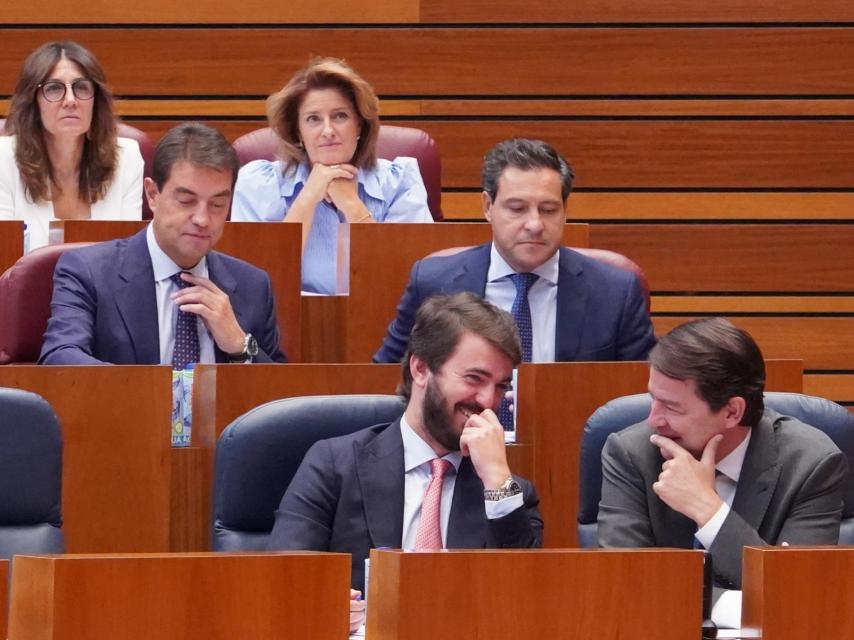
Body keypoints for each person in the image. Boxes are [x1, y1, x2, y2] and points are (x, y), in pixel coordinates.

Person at [268, 292, 543, 594]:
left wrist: (498, 484)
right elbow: (285, 583)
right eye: (475, 378)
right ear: (421, 369)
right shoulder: (334, 466)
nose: (488, 400)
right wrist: (328, 605)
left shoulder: (508, 491)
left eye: (501, 386)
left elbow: (523, 599)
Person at [598, 317, 847, 589]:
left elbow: (794, 593)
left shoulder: (811, 465)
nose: (653, 420)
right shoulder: (631, 453)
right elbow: (624, 585)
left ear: (732, 412)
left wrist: (708, 510)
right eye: (653, 398)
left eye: (671, 407)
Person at [373, 137, 655, 364]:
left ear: (565, 211)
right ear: (487, 207)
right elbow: (389, 383)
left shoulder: (615, 292)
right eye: (517, 208)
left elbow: (639, 400)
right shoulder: (434, 282)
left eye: (548, 210)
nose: (534, 224)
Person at [39, 122, 286, 365]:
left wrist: (239, 346)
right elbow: (60, 356)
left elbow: (281, 393)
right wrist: (152, 391)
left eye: (217, 204)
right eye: (186, 201)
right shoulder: (89, 272)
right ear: (153, 195)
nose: (202, 219)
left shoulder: (253, 285)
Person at [231, 57, 432, 294]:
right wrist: (308, 197)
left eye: (340, 116)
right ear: (298, 132)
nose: (328, 131)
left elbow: (408, 283)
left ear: (359, 125)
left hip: (381, 321)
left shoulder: (400, 182)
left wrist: (352, 205)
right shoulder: (258, 183)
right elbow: (255, 285)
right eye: (313, 119)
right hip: (289, 323)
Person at [0, 41, 143, 251]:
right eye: (54, 88)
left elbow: (128, 256)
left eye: (81, 87)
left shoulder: (127, 158)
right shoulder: (3, 160)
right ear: (33, 101)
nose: (70, 100)